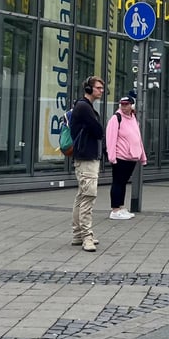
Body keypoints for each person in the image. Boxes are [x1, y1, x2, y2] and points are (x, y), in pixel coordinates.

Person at [70, 76, 105, 252]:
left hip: (84, 157)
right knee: (88, 197)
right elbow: (98, 131)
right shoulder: (84, 107)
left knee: (81, 196)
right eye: (98, 88)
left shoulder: (84, 106)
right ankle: (86, 237)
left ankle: (77, 234)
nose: (101, 91)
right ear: (89, 89)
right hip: (86, 158)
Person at [106, 96, 147, 220]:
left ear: (132, 106)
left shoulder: (134, 118)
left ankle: (121, 207)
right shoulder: (116, 118)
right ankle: (115, 210)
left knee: (123, 183)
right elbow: (110, 139)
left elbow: (138, 138)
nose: (124, 107)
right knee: (118, 182)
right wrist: (112, 157)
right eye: (122, 104)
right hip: (120, 157)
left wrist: (142, 156)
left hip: (131, 158)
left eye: (126, 104)